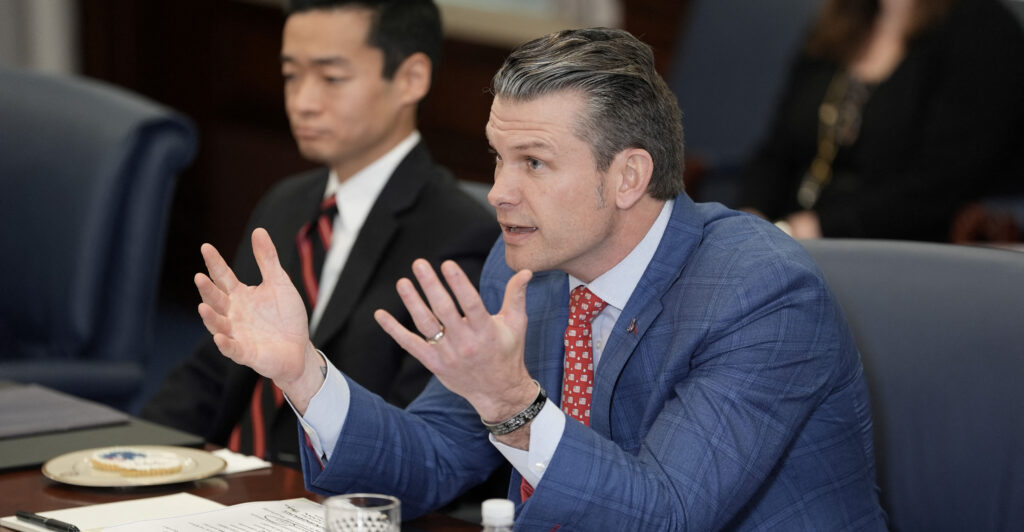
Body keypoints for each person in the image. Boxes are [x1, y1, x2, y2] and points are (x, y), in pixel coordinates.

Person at [193, 28, 887, 529]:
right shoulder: (525, 270)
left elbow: (668, 513)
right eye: (498, 158)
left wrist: (512, 404)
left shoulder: (760, 293)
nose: (498, 192)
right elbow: (432, 460)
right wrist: (303, 373)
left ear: (628, 176)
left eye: (533, 163)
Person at [142, 0, 497, 467]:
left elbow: (420, 434)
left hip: (329, 486)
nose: (303, 101)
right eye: (291, 75)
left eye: (331, 78)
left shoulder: (459, 235)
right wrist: (136, 458)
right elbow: (216, 368)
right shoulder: (287, 201)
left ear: (411, 78)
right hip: (227, 474)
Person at [738, 0, 1024, 241]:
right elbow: (776, 151)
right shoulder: (836, 25)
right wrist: (751, 216)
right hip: (789, 241)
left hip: (894, 252)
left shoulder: (983, 28)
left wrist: (813, 228)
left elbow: (944, 184)